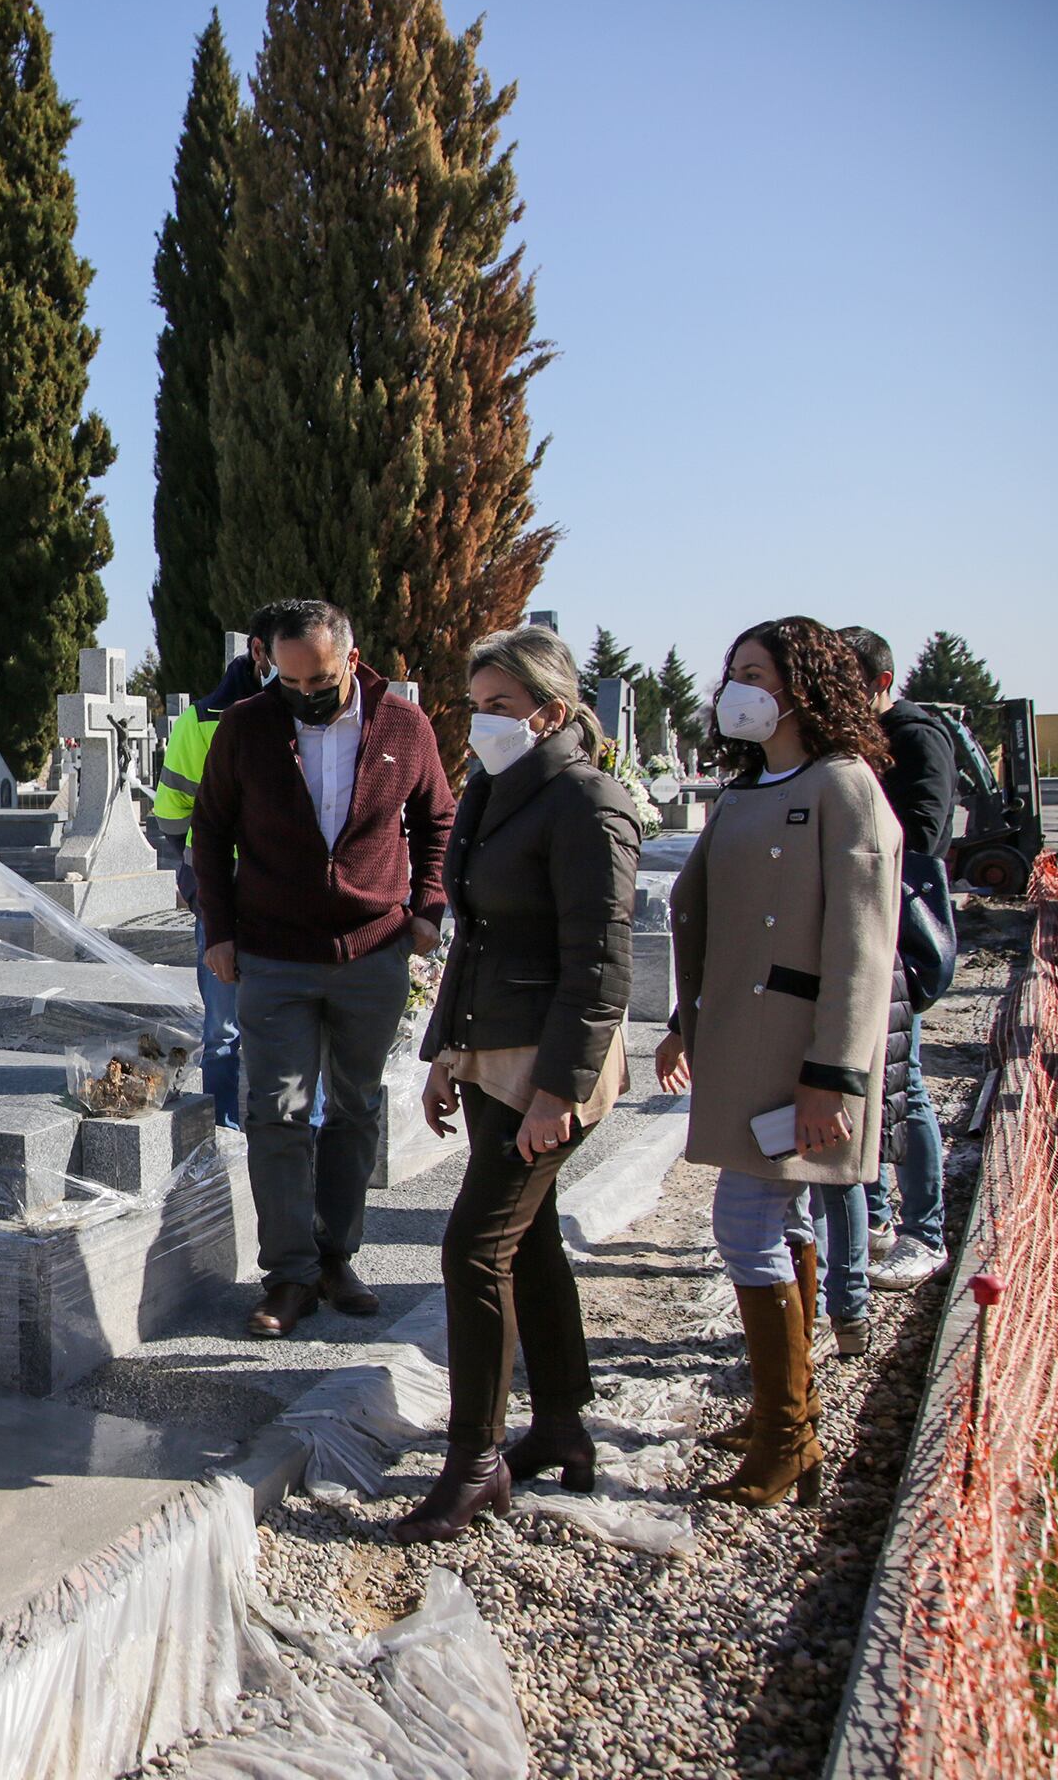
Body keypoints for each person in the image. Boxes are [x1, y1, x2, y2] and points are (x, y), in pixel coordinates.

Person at [394, 626, 639, 1542]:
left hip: (548, 1064)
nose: (481, 724)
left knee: (472, 1248)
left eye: (499, 707)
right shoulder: (501, 789)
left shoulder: (586, 803)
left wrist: (557, 1092)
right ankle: (564, 1425)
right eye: (476, 705)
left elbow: (602, 963)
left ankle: (476, 1461)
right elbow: (478, 938)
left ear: (553, 711)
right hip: (490, 1050)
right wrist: (444, 1054)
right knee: (525, 1239)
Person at [654, 617, 899, 1509]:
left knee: (743, 1225)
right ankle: (785, 1414)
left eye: (754, 673)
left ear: (803, 687)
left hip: (799, 1053)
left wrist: (833, 1074)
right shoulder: (748, 788)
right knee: (782, 1221)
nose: (736, 690)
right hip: (736, 1040)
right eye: (733, 674)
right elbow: (703, 917)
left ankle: (786, 1435)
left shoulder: (846, 788)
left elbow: (863, 946)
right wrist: (684, 1019)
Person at [193, 599, 455, 1339]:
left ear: (351, 655)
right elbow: (209, 830)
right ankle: (290, 1276)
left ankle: (337, 1256)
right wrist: (219, 928)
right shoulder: (248, 725)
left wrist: (428, 904)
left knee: (356, 1107)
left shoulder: (402, 726)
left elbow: (438, 816)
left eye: (321, 679)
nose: (305, 694)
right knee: (274, 1112)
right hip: (274, 954)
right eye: (290, 679)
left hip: (373, 950)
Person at [839, 626, 957, 1295]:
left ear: (882, 683)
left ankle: (926, 1232)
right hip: (855, 928)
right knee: (868, 1086)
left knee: (903, 1088)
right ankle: (877, 1217)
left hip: (895, 934)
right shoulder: (848, 741)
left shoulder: (915, 737)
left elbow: (924, 834)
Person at [153, 640, 273, 1129]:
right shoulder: (203, 720)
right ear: (261, 652)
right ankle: (227, 1126)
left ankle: (237, 1122)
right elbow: (171, 809)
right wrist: (199, 869)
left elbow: (170, 814)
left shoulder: (206, 718)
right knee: (228, 1024)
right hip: (229, 885)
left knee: (235, 1023)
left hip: (251, 883)